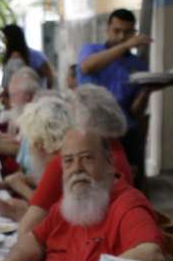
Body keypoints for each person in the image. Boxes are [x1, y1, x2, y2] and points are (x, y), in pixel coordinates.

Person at [0, 127, 166, 261]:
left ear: (109, 163)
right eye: (69, 161)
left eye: (87, 158)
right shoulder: (72, 201)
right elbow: (35, 239)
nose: (77, 168)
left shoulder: (127, 204)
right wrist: (14, 258)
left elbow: (152, 253)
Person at [12, 84, 136, 234]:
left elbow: (27, 228)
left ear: (83, 123)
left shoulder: (69, 161)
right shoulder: (117, 151)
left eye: (69, 117)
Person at [77, 9, 152, 180]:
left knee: (127, 181)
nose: (121, 36)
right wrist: (125, 45)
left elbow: (134, 112)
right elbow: (87, 66)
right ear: (107, 29)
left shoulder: (137, 65)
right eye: (116, 31)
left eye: (127, 33)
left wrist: (146, 91)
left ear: (133, 32)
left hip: (125, 133)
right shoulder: (91, 50)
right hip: (93, 130)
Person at [0, 93, 72, 220]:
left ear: (39, 143)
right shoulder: (63, 157)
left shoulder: (58, 164)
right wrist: (4, 184)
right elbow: (39, 181)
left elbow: (53, 216)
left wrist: (20, 189)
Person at [0, 24, 55, 90]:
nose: (3, 40)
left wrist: (45, 93)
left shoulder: (34, 55)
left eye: (5, 37)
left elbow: (49, 75)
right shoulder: (9, 58)